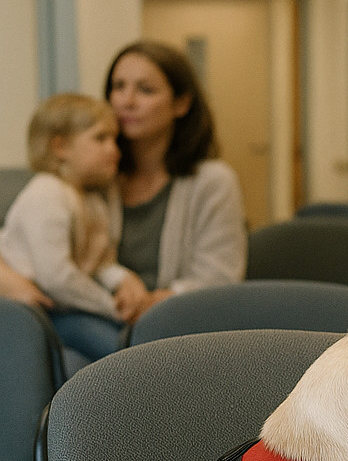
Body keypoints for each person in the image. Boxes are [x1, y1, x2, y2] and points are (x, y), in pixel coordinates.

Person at [102, 40, 246, 320]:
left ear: (181, 104)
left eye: (145, 90)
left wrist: (150, 304)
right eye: (118, 87)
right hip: (99, 315)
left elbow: (219, 279)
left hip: (175, 323)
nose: (126, 102)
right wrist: (118, 281)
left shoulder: (214, 181)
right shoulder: (94, 176)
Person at [0, 93, 136, 361]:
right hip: (39, 310)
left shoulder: (92, 199)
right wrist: (110, 307)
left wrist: (123, 280)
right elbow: (56, 277)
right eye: (100, 138)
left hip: (65, 305)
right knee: (118, 349)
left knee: (129, 338)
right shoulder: (47, 193)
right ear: (60, 147)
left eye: (115, 139)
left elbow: (97, 262)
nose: (115, 150)